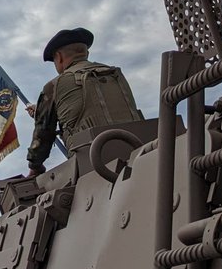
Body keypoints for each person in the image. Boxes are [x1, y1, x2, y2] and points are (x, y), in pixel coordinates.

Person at [27, 27, 143, 176]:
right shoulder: (115, 74)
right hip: (141, 151)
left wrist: (35, 165)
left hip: (95, 165)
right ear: (86, 53)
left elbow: (43, 134)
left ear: (59, 57)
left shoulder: (54, 86)